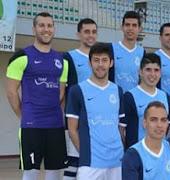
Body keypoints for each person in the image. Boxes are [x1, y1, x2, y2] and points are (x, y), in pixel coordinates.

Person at [6, 12, 68, 180]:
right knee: (31, 173)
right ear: (34, 29)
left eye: (49, 26)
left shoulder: (63, 61)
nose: (46, 29)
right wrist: (23, 115)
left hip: (55, 125)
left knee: (55, 174)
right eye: (41, 25)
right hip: (31, 126)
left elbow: (61, 93)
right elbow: (11, 92)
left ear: (54, 29)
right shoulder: (21, 57)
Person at [66, 43, 125, 179]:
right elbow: (72, 129)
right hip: (90, 163)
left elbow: (120, 128)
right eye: (96, 60)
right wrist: (85, 151)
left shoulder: (117, 90)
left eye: (104, 60)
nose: (100, 65)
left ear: (111, 63)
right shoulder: (77, 90)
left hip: (116, 161)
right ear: (89, 63)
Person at [122, 101, 170, 180]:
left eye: (163, 120)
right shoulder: (132, 155)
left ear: (167, 123)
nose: (159, 125)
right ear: (145, 123)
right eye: (153, 120)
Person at [63, 18, 97, 180]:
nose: (91, 35)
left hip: (97, 122)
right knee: (73, 164)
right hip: (76, 122)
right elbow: (63, 92)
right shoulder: (68, 57)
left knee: (93, 166)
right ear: (79, 34)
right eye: (86, 31)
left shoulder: (100, 59)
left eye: (94, 32)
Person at [122, 53, 170, 148]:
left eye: (156, 70)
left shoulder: (165, 97)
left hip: (160, 155)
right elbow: (122, 131)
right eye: (148, 70)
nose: (152, 74)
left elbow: (167, 128)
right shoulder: (129, 96)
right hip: (137, 156)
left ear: (160, 73)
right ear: (140, 72)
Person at [109, 11, 145, 92]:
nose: (130, 28)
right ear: (122, 27)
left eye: (134, 25)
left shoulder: (142, 52)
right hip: (115, 99)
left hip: (134, 100)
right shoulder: (111, 49)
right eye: (127, 25)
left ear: (140, 29)